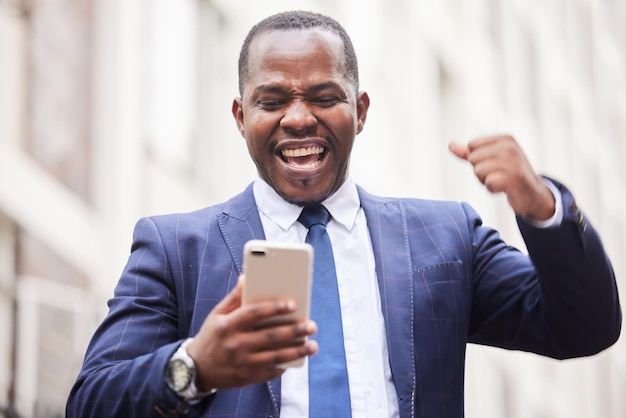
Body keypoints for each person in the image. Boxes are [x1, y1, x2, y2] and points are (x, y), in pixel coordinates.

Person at [66, 10, 621, 418]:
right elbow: (91, 403)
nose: (299, 118)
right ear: (241, 116)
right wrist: (194, 367)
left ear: (360, 111)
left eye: (324, 96)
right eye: (273, 100)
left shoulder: (447, 238)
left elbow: (585, 327)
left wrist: (543, 208)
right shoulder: (174, 248)